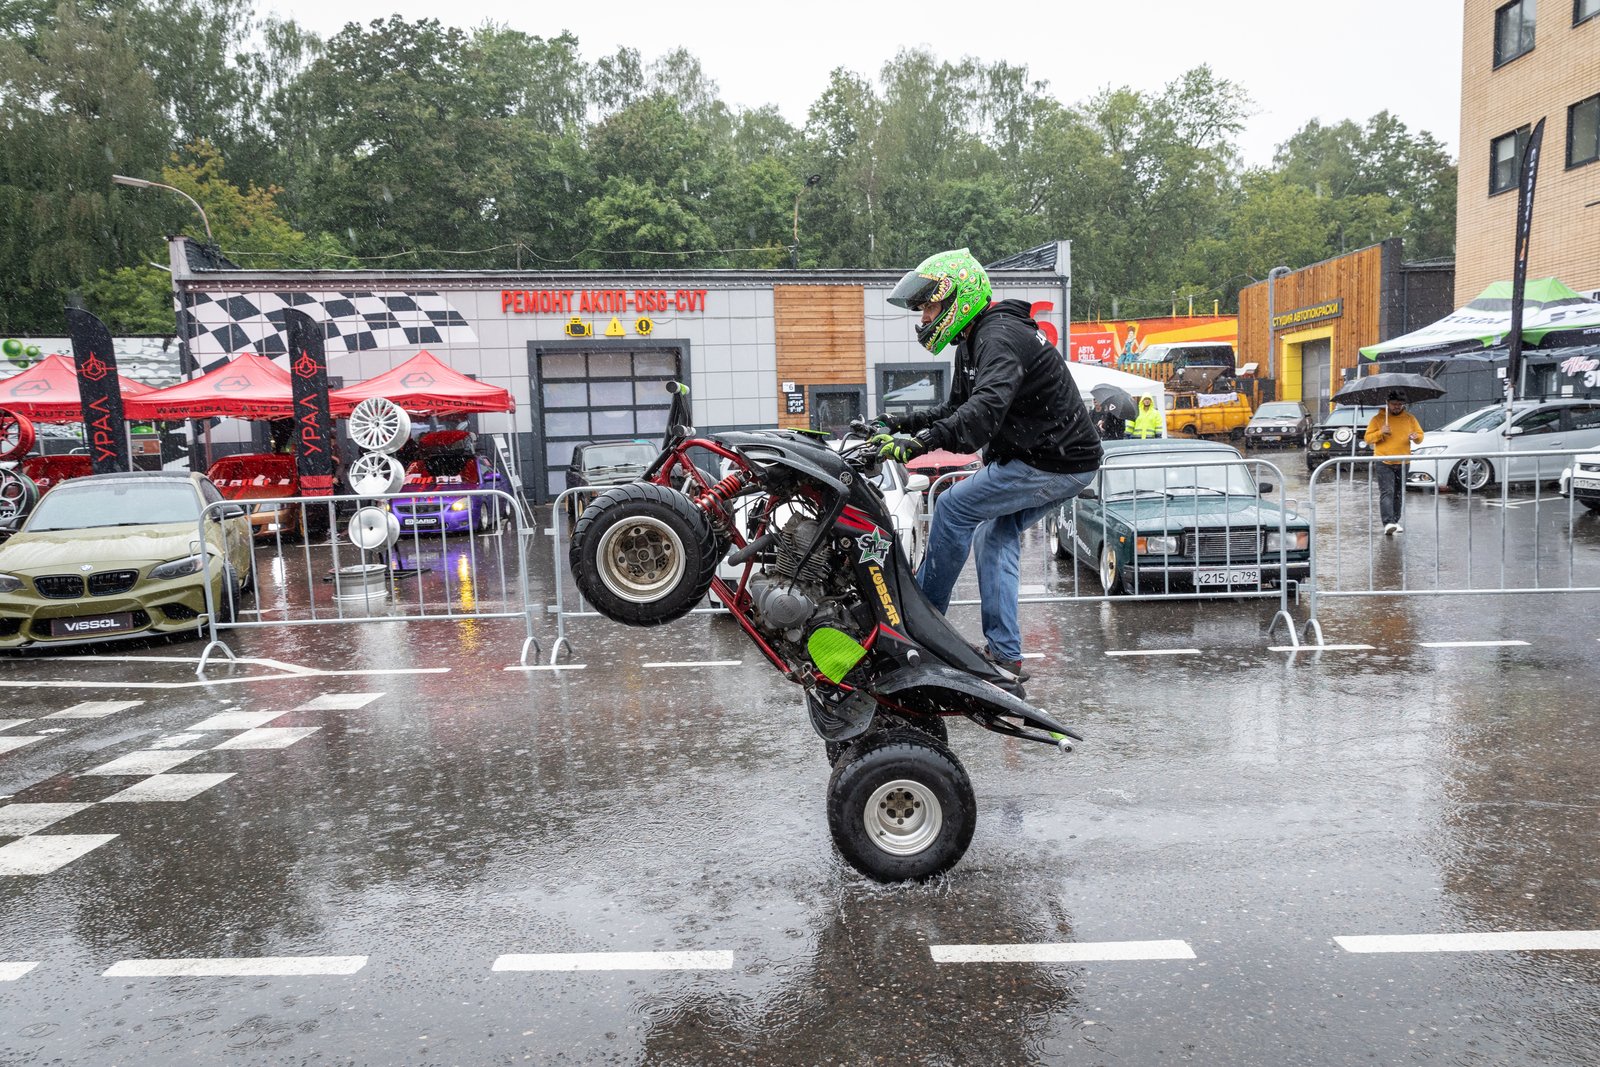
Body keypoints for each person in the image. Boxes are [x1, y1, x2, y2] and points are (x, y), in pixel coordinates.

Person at [871, 248, 1103, 687]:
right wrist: (901, 423)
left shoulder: (998, 336)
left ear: (958, 297)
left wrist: (921, 443)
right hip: (1058, 459)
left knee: (956, 508)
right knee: (993, 534)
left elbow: (985, 408)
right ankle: (1005, 655)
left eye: (930, 307)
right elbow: (957, 407)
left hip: (1054, 461)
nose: (923, 319)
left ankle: (920, 623)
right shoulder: (977, 339)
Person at [1364, 390, 1423, 535]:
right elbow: (1367, 439)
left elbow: (1420, 436)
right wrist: (1380, 433)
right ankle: (1388, 522)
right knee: (1387, 492)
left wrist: (1415, 436)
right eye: (1394, 404)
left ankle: (1395, 521)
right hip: (1384, 461)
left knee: (1398, 493)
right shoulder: (1378, 419)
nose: (1397, 407)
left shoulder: (1410, 418)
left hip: (1403, 461)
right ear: (1388, 404)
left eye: (1400, 404)